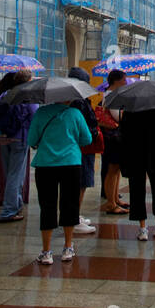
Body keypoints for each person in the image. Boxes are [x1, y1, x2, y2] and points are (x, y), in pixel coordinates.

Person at [27, 96, 93, 265]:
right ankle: (68, 247)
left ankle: (46, 251)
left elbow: (31, 140)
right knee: (69, 204)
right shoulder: (75, 114)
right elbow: (87, 139)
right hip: (71, 163)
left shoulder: (41, 113)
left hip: (45, 164)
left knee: (47, 206)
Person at [0, 70, 37, 223]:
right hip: (20, 138)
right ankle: (9, 210)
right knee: (15, 175)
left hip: (3, 137)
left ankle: (16, 205)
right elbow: (34, 115)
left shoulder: (5, 94)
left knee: (10, 172)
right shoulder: (27, 96)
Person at [120, 107, 155, 240]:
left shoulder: (129, 111)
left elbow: (123, 132)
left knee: (137, 189)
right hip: (154, 153)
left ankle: (142, 229)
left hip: (135, 154)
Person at [67, 67, 100, 236]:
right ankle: (73, 218)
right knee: (80, 183)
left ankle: (74, 215)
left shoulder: (70, 99)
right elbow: (85, 125)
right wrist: (94, 132)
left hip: (75, 147)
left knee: (77, 183)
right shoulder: (79, 101)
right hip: (82, 147)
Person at [99, 69, 129, 214]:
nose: (126, 82)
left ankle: (115, 198)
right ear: (116, 81)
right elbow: (118, 117)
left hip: (114, 136)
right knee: (112, 170)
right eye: (124, 79)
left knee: (116, 169)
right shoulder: (111, 96)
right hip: (112, 137)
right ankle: (111, 203)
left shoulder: (113, 95)